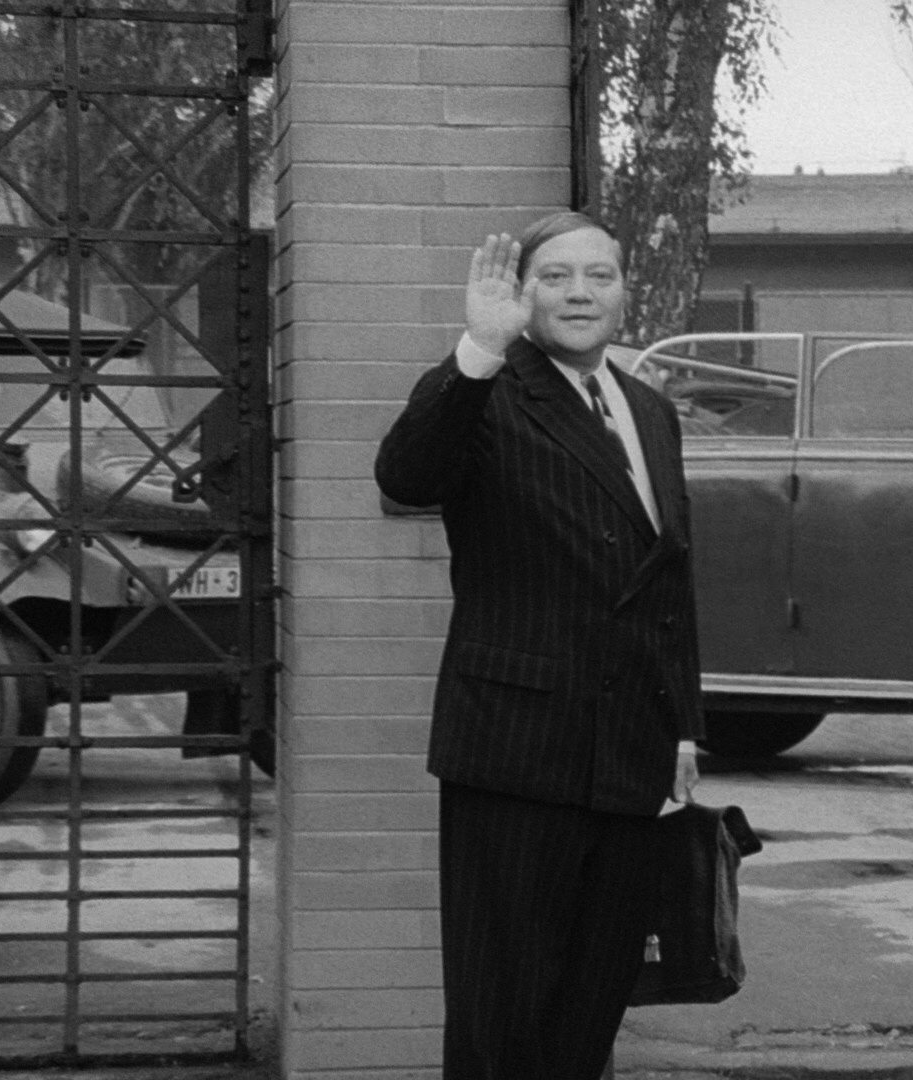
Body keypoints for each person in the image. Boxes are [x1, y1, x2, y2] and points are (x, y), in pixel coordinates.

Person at [374, 211, 704, 1080]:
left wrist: (681, 728)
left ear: (625, 292)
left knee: (589, 1012)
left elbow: (669, 583)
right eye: (555, 277)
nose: (580, 294)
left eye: (600, 276)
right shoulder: (488, 391)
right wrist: (478, 350)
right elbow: (406, 474)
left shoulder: (649, 410)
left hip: (631, 756)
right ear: (523, 294)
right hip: (516, 752)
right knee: (501, 1018)